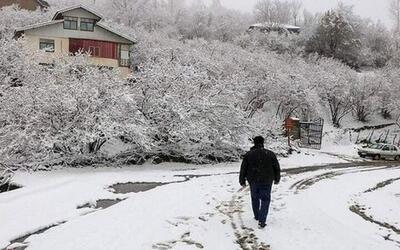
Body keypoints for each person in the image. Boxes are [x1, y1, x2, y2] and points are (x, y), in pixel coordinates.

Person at [239, 136, 281, 228]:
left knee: (255, 198)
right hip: (267, 180)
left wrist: (242, 180)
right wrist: (277, 178)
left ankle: (257, 215)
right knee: (265, 199)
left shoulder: (249, 154)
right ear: (263, 143)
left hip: (253, 180)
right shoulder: (270, 154)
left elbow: (243, 168)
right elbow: (276, 167)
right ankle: (262, 220)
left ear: (254, 143)